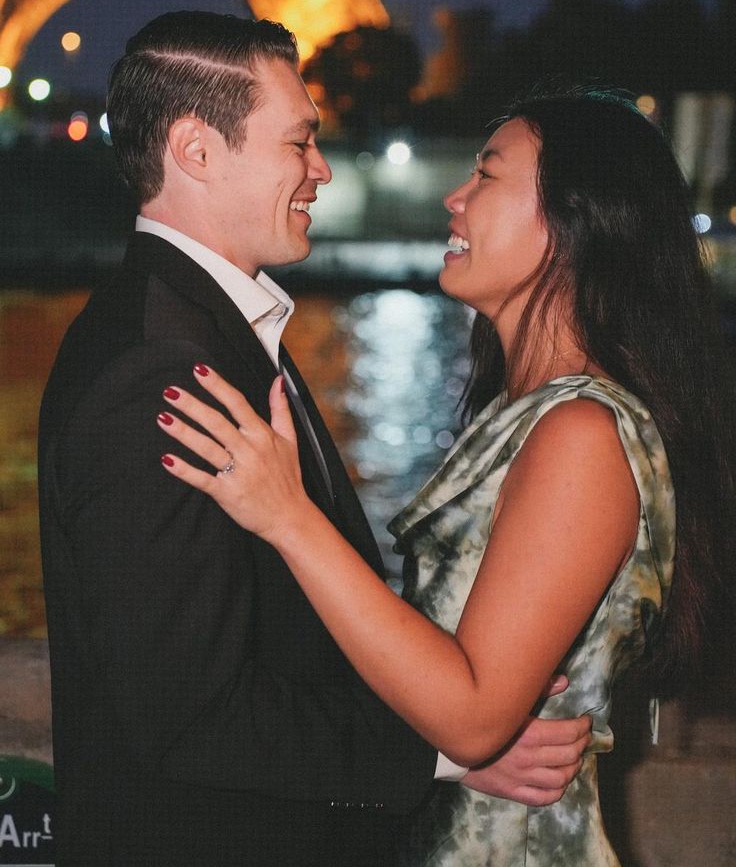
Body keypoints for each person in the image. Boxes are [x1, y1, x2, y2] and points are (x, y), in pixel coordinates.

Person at [38, 13, 590, 867]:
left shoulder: (202, 329)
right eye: (299, 142)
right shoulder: (162, 369)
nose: (322, 169)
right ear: (195, 150)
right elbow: (189, 715)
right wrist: (445, 751)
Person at [159, 88, 734, 865]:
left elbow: (470, 719)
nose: (452, 199)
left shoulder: (582, 434)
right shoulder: (529, 417)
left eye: (487, 176)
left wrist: (288, 515)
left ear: (575, 221)